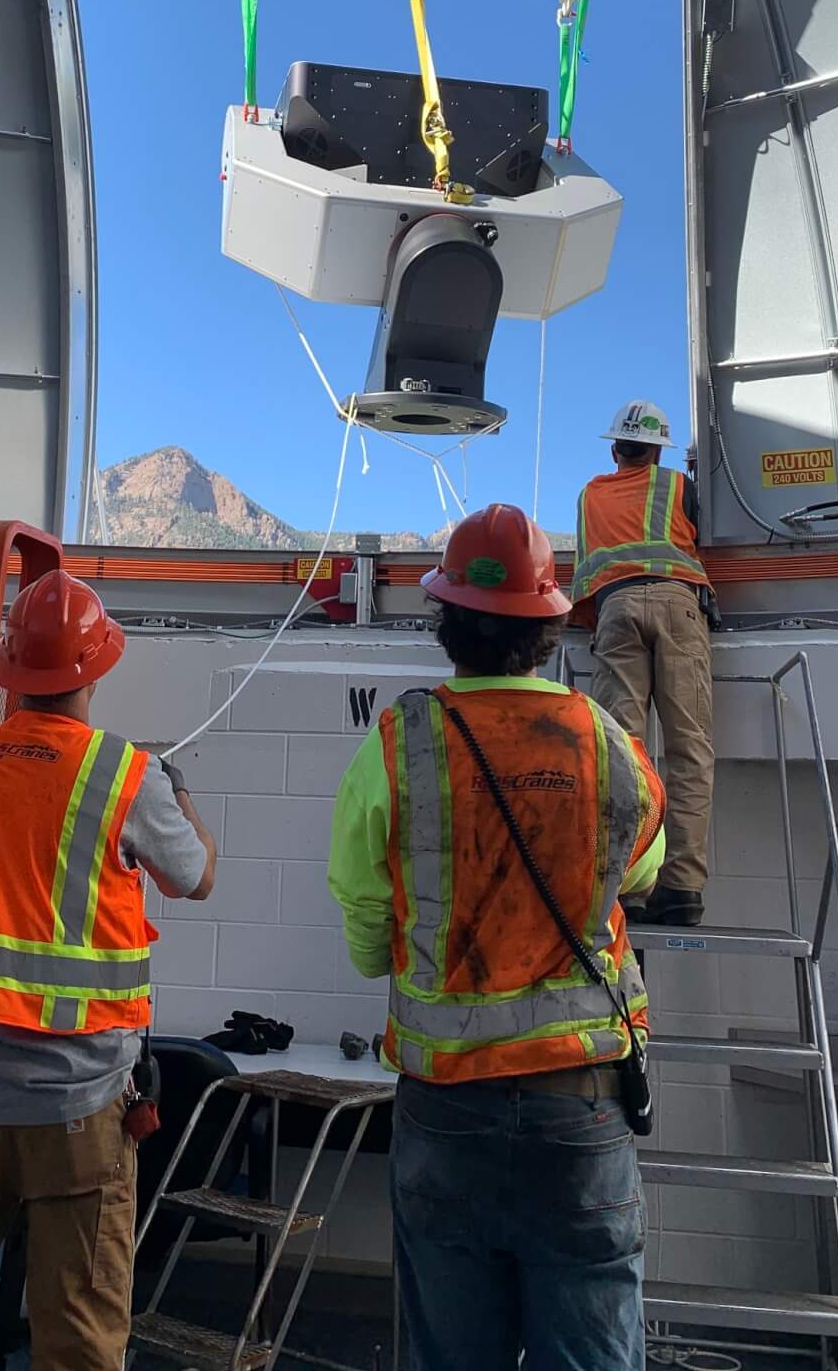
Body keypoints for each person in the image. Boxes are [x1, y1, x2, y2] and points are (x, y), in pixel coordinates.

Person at [328, 504, 666, 1371]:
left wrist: (388, 962)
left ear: (447, 628)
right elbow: (642, 872)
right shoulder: (610, 744)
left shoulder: (399, 742)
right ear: (547, 632)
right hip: (581, 1106)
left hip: (445, 1109)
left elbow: (364, 904)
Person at [0, 569, 216, 1371]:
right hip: (82, 1106)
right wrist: (178, 790)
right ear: (95, 668)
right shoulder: (129, 775)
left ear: (10, 669)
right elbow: (197, 876)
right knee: (82, 1347)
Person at [571, 400, 715, 928]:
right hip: (679, 606)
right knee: (688, 750)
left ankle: (629, 887)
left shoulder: (591, 495)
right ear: (658, 451)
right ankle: (682, 888)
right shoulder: (679, 486)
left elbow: (587, 572)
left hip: (616, 610)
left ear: (615, 448)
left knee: (623, 755)